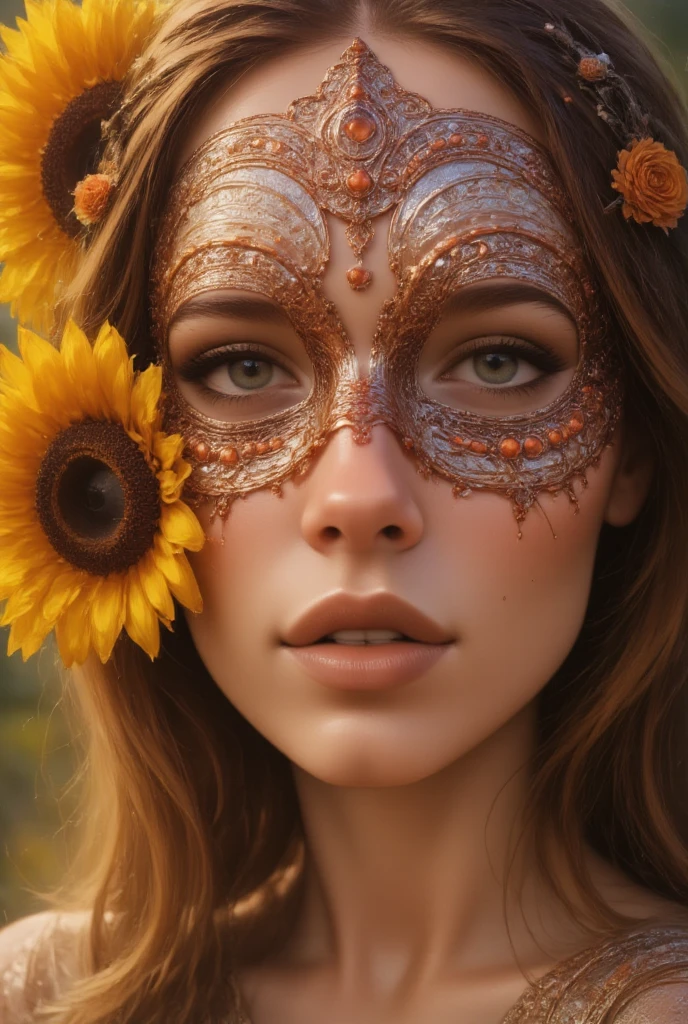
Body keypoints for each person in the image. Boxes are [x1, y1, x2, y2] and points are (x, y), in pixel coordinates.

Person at [0, 0, 687, 1021]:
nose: (360, 496)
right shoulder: (43, 998)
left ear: (630, 440)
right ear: (108, 453)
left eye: (497, 361)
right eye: (240, 366)